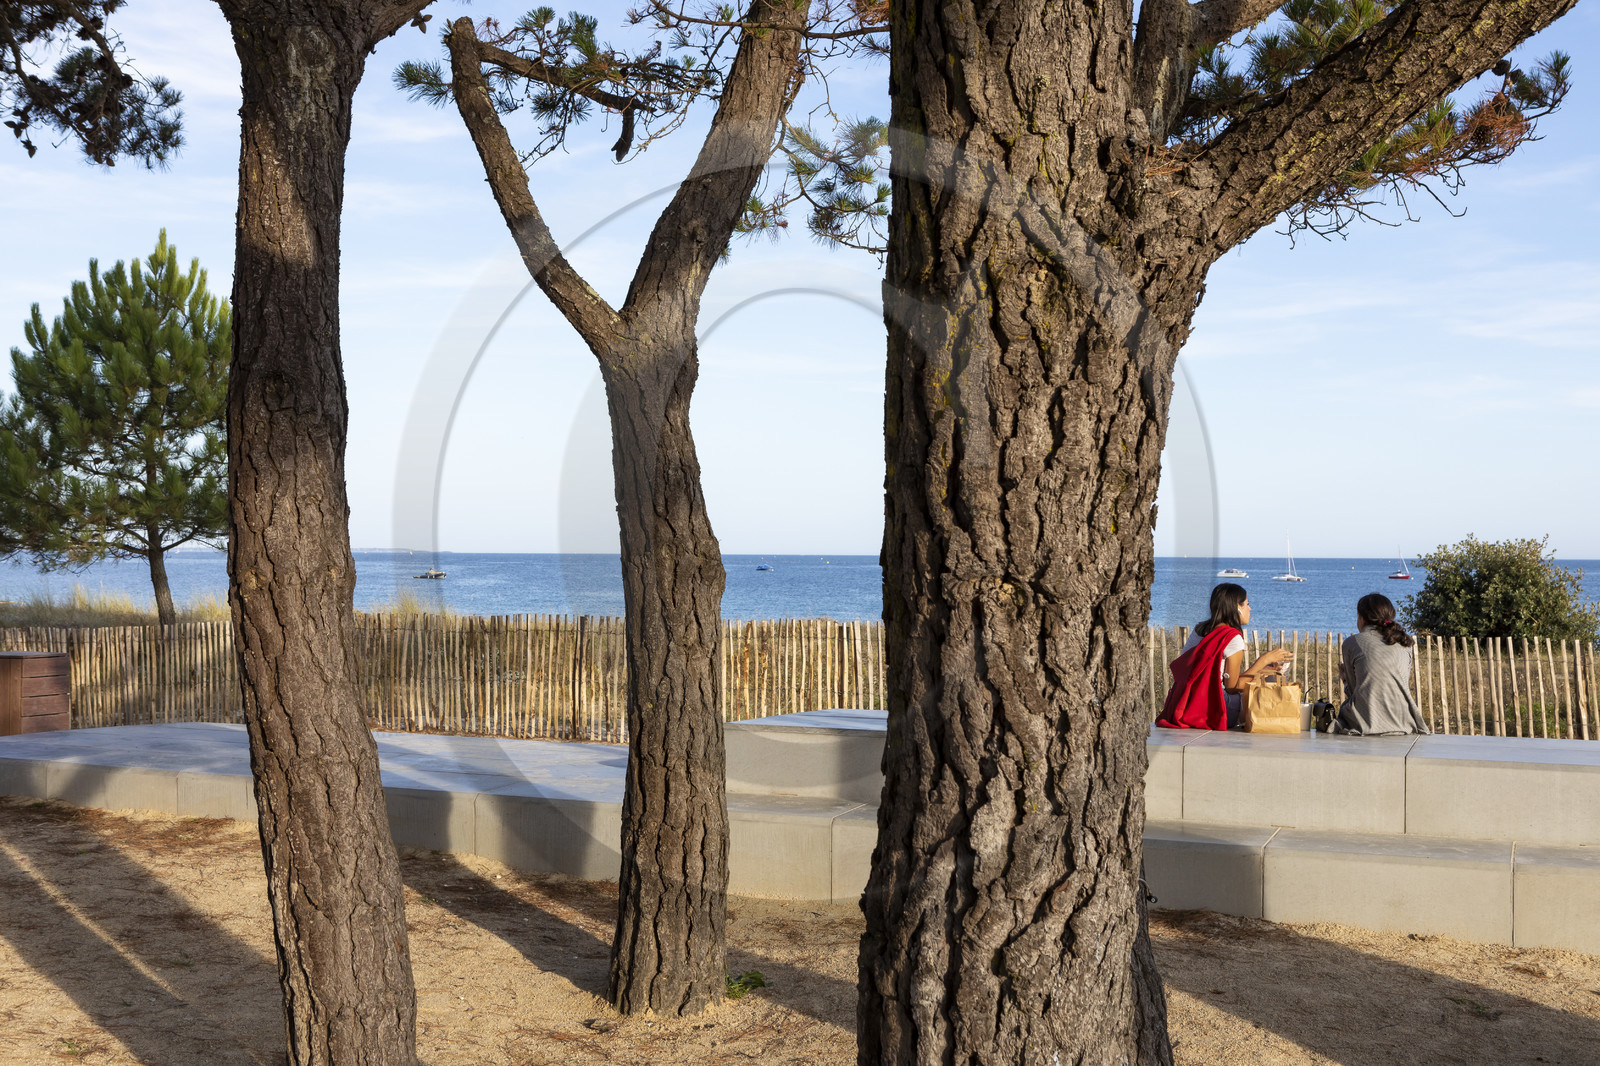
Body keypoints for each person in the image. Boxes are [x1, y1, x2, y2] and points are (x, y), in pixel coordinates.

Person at [1156, 583, 1292, 730]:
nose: (1250, 608)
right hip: (1213, 710)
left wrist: (1261, 671)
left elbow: (1212, 677)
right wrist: (1264, 661)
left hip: (1185, 703)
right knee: (1261, 689)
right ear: (1237, 608)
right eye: (1247, 604)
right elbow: (1232, 687)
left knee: (1263, 677)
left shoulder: (1199, 630)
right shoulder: (1232, 637)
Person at [1331, 593, 1430, 735]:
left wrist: (1345, 679)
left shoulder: (1352, 643)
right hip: (1404, 721)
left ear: (1362, 619)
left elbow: (1355, 693)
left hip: (1366, 722)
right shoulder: (1405, 643)